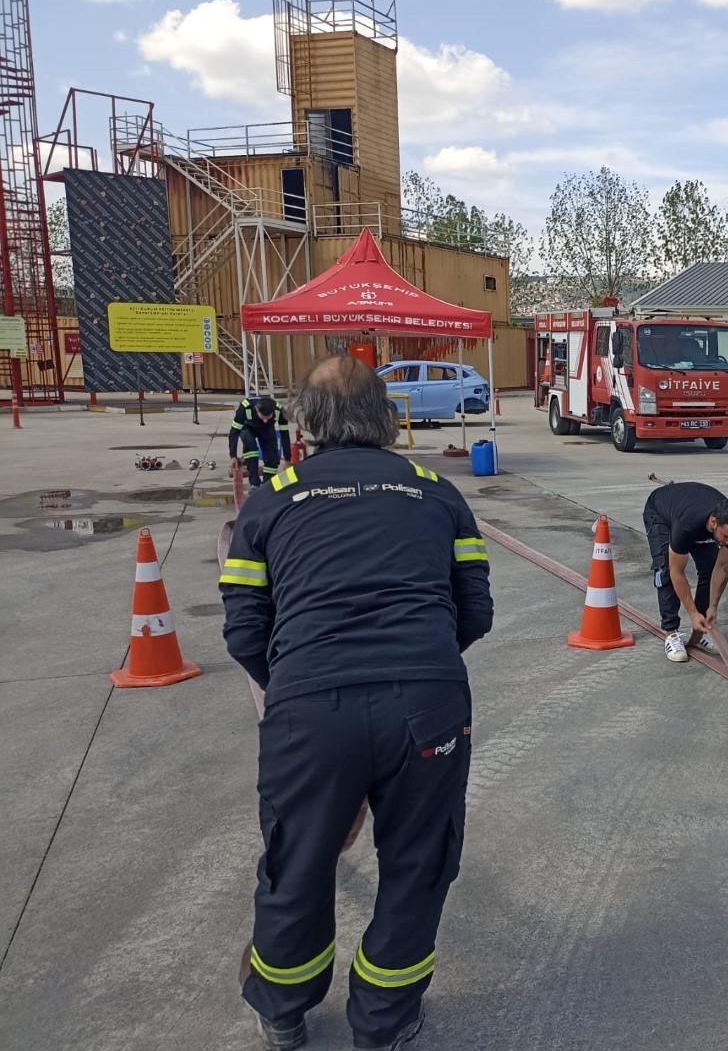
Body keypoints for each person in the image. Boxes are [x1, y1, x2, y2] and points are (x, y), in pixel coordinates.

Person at [220, 356, 493, 1051]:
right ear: (387, 416)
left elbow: (244, 628)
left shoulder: (272, 499)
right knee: (419, 861)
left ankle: (283, 1010)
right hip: (427, 706)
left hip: (309, 709)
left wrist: (292, 683)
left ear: (302, 420)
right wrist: (418, 667)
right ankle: (385, 1020)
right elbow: (475, 612)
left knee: (298, 857)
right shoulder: (436, 492)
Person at [642, 481, 728, 662]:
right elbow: (677, 573)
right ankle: (671, 632)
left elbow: (722, 567)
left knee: (709, 567)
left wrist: (712, 607)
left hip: (692, 511)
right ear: (714, 522)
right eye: (726, 537)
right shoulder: (687, 525)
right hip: (661, 514)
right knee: (666, 568)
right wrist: (692, 612)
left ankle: (701, 629)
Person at [229, 396, 292, 489]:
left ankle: (268, 486)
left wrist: (287, 460)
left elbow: (285, 435)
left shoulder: (279, 410)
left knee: (272, 457)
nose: (265, 420)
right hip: (248, 427)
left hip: (267, 429)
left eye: (268, 417)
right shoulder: (245, 407)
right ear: (256, 410)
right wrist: (233, 456)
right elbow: (234, 432)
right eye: (263, 417)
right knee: (251, 449)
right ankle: (254, 484)